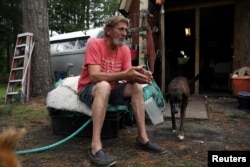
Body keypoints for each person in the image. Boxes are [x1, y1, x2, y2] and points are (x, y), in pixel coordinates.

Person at [78, 15, 166, 167]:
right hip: (89, 88)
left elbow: (127, 77)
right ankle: (95, 146)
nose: (125, 33)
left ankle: (142, 138)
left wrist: (139, 75)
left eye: (126, 30)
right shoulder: (95, 44)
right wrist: (126, 74)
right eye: (120, 29)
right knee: (104, 85)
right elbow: (94, 76)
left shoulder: (124, 49)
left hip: (111, 89)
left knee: (136, 87)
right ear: (108, 31)